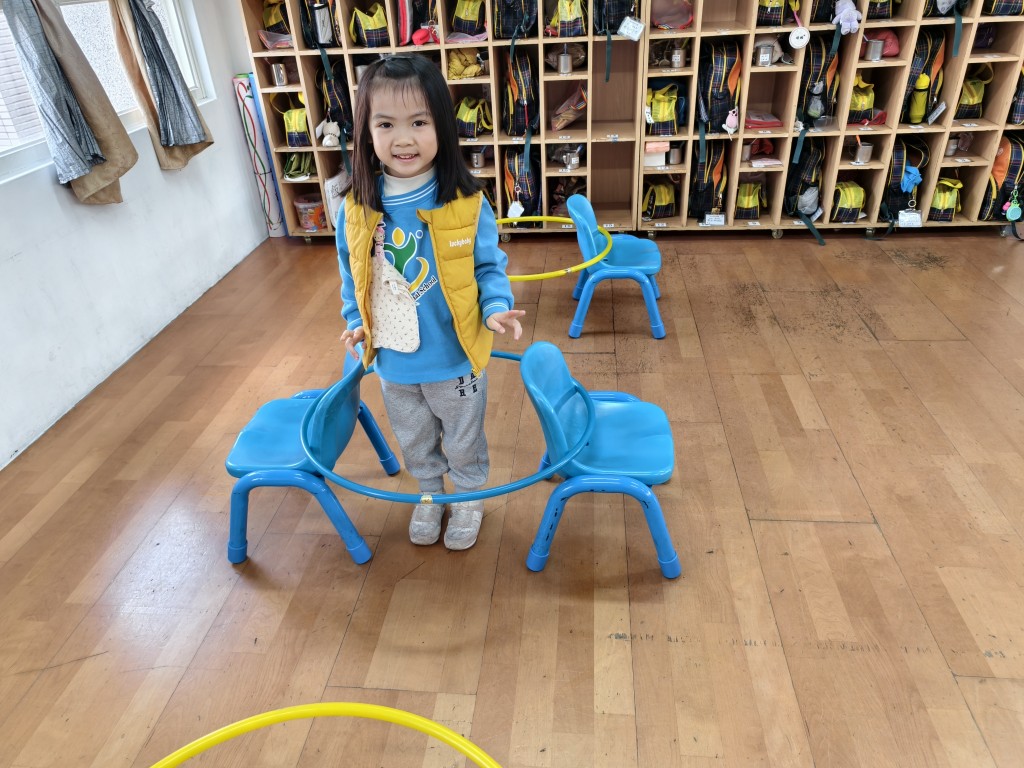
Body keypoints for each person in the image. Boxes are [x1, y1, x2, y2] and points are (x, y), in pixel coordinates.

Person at [336, 55, 525, 551]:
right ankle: (430, 493)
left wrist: (495, 308)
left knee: (463, 436)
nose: (403, 139)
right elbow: (352, 277)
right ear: (366, 131)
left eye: (418, 122)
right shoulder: (355, 209)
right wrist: (357, 321)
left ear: (442, 124)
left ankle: (468, 497)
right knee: (414, 437)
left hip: (454, 356)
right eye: (385, 124)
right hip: (394, 361)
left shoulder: (466, 202)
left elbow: (489, 267)